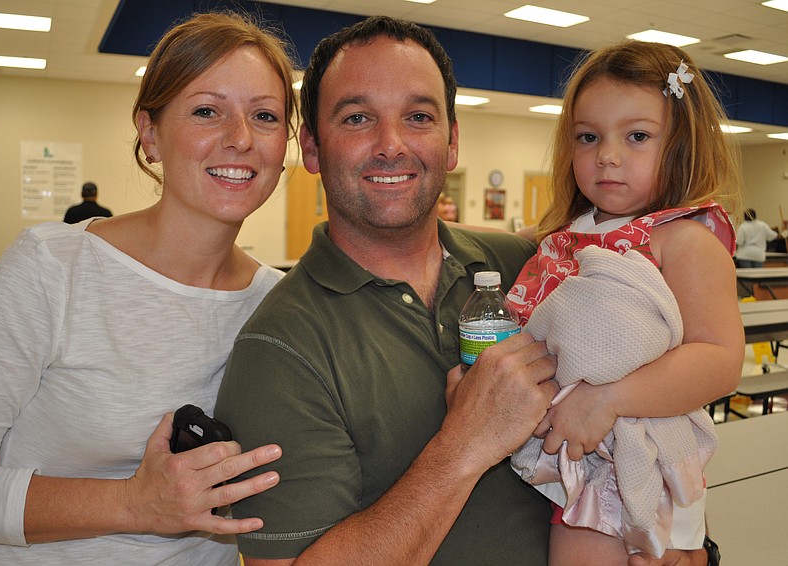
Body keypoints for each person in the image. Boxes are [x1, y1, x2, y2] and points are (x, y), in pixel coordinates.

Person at [217, 17, 708, 566]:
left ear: (452, 141)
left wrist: (686, 542)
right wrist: (465, 445)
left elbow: (662, 390)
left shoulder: (531, 267)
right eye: (357, 118)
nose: (391, 145)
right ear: (311, 147)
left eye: (419, 117)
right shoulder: (280, 349)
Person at [0, 12, 297, 564]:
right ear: (150, 133)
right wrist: (134, 504)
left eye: (265, 116)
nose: (241, 139)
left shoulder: (279, 304)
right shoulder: (54, 269)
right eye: (207, 111)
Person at [505, 41, 743, 564]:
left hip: (642, 460)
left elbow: (720, 358)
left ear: (680, 145)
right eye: (588, 137)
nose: (607, 155)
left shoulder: (683, 241)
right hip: (579, 459)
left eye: (637, 136)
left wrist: (607, 399)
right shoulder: (569, 234)